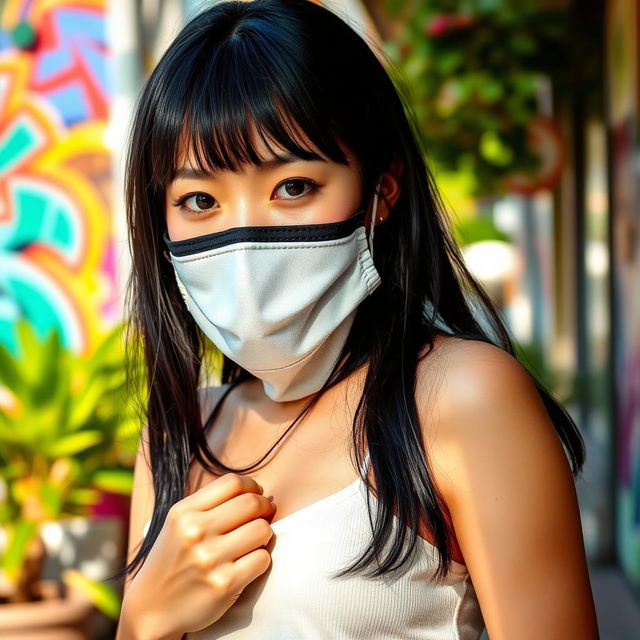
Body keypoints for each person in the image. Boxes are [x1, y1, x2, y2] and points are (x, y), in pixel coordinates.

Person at [112, 0, 599, 638]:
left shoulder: (463, 398)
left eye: (293, 187)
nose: (242, 238)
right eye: (198, 199)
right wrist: (141, 620)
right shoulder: (177, 432)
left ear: (382, 190)